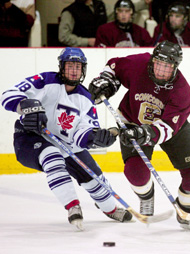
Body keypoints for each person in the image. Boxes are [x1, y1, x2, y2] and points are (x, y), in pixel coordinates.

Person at [0, 47, 132, 229]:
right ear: (61, 67)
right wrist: (26, 106)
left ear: (83, 70)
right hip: (30, 138)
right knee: (51, 155)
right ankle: (72, 206)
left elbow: (81, 134)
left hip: (66, 144)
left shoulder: (86, 99)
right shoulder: (45, 80)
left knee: (95, 179)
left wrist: (94, 138)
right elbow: (8, 95)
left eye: (77, 67)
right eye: (69, 65)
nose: (73, 70)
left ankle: (109, 209)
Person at [88, 40, 190, 229]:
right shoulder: (139, 64)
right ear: (153, 60)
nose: (161, 71)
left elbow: (167, 129)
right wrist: (107, 81)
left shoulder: (182, 92)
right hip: (132, 121)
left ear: (176, 67)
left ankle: (187, 214)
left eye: (167, 66)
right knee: (136, 173)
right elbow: (114, 66)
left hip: (171, 127)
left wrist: (145, 133)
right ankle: (147, 197)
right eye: (159, 64)